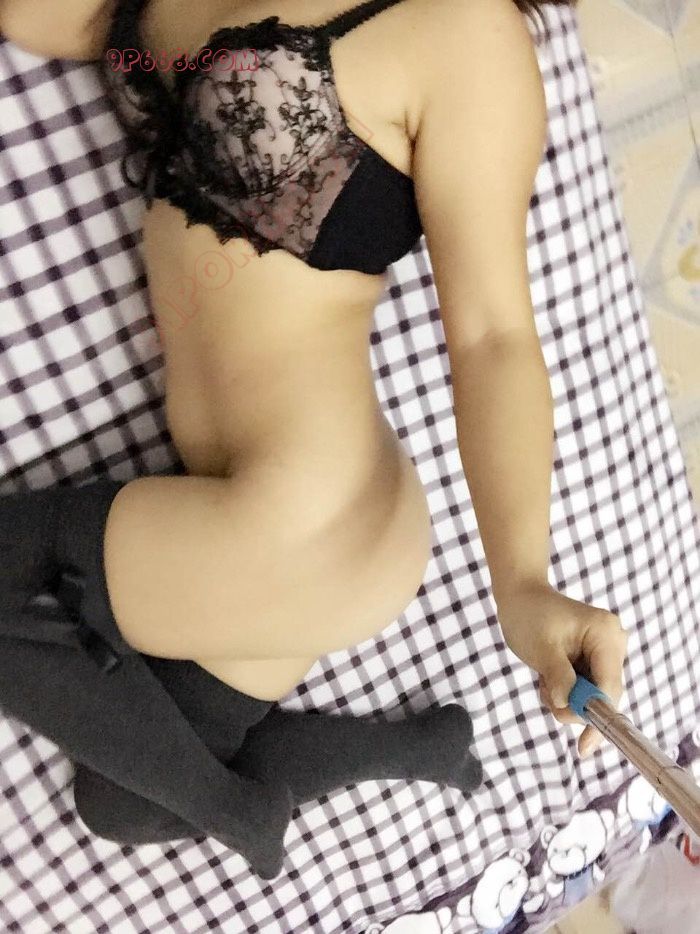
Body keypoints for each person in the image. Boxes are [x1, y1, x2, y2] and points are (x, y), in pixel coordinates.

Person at [0, 0, 627, 879]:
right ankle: (411, 750)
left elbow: (494, 338)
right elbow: (36, 17)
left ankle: (237, 813)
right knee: (121, 800)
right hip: (276, 530)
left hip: (306, 519)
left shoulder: (460, 31)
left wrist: (521, 579)